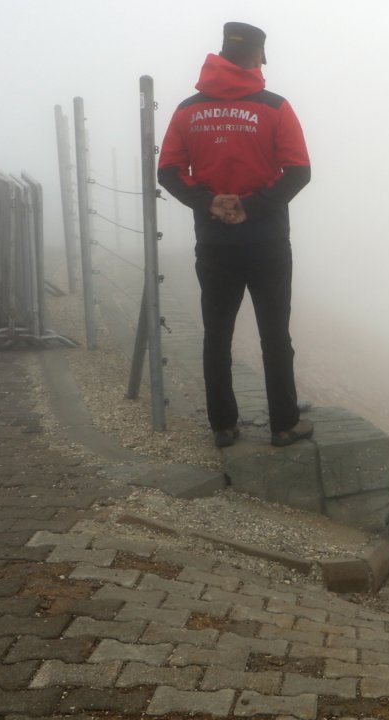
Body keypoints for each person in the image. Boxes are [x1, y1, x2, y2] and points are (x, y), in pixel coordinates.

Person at [158, 22, 314, 449]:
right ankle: (284, 423)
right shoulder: (275, 107)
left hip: (214, 243)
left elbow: (168, 171)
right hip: (266, 241)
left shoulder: (188, 110)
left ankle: (223, 425)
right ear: (256, 56)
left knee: (217, 333)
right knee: (275, 335)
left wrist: (209, 202)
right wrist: (252, 205)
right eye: (263, 55)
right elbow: (299, 170)